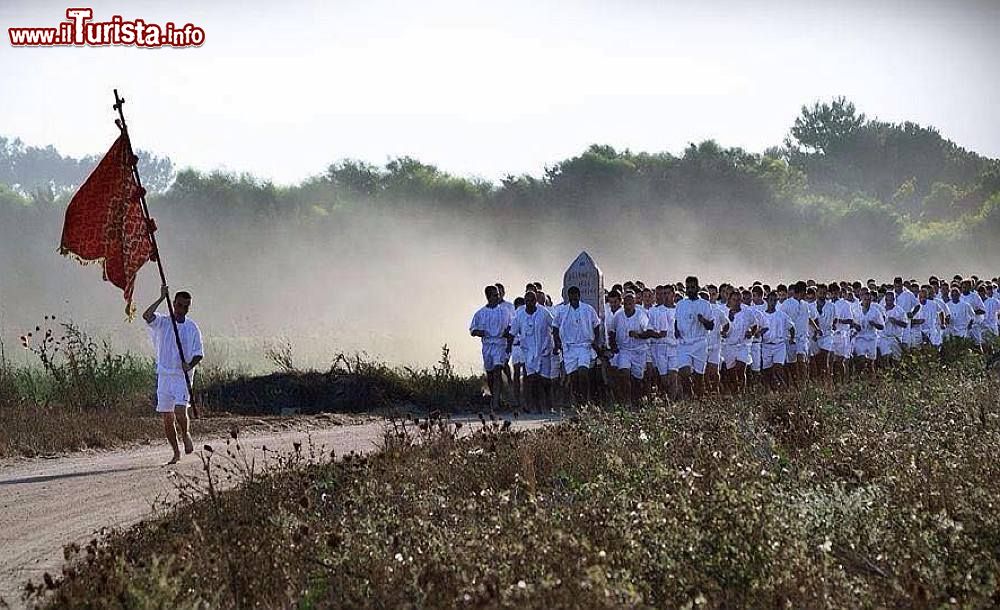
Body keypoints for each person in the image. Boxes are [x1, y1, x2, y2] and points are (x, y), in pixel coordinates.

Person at [143, 286, 204, 465]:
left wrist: (189, 365)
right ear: (174, 304)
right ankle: (176, 453)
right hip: (164, 375)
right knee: (167, 417)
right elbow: (146, 316)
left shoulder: (192, 327)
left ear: (188, 308)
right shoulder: (163, 322)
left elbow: (199, 353)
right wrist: (162, 297)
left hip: (181, 376)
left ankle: (185, 433)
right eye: (178, 305)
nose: (181, 309)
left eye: (185, 307)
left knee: (179, 411)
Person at [508, 291, 556, 412]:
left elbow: (555, 326)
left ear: (536, 301)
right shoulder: (519, 315)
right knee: (532, 380)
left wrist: (556, 344)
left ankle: (549, 405)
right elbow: (512, 332)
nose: (529, 303)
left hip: (543, 350)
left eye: (531, 301)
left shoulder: (544, 313)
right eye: (527, 301)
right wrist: (508, 347)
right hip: (528, 352)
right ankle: (534, 406)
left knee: (545, 381)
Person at [553, 286, 601, 405]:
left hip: (584, 346)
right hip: (569, 348)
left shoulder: (588, 309)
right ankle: (578, 402)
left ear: (579, 296)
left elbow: (596, 325)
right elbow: (555, 326)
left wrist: (595, 341)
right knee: (573, 378)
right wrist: (557, 342)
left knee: (583, 372)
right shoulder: (562, 311)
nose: (573, 299)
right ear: (568, 297)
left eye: (575, 297)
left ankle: (585, 401)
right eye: (571, 297)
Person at [469, 285, 512, 413]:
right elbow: (472, 330)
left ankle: (495, 403)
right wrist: (479, 332)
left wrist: (507, 333)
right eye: (495, 295)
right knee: (490, 374)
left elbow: (511, 326)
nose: (498, 297)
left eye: (498, 294)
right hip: (487, 346)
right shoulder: (480, 313)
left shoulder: (505, 311)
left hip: (500, 344)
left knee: (498, 370)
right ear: (488, 297)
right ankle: (496, 397)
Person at [674, 276, 714, 398]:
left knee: (699, 377)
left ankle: (699, 401)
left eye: (692, 287)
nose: (690, 290)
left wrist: (703, 321)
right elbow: (676, 320)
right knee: (684, 372)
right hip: (684, 344)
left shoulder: (705, 304)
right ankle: (689, 395)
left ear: (697, 288)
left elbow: (711, 326)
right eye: (688, 288)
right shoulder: (680, 304)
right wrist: (676, 330)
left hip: (699, 343)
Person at [608, 292, 650, 407]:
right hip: (624, 350)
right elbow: (612, 332)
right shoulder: (618, 315)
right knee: (624, 373)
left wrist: (638, 335)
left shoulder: (641, 315)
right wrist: (613, 346)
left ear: (635, 303)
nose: (628, 306)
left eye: (630, 303)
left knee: (637, 378)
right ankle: (627, 401)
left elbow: (648, 332)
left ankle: (637, 400)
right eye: (626, 304)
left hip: (639, 350)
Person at [720, 291, 754, 395]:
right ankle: (735, 393)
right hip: (728, 346)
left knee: (740, 368)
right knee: (731, 373)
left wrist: (751, 333)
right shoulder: (724, 312)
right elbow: (720, 328)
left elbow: (755, 324)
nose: (736, 302)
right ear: (729, 300)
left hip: (742, 345)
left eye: (739, 300)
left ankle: (742, 392)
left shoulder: (747, 312)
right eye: (734, 300)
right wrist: (723, 333)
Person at [759, 291, 794, 391]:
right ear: (767, 301)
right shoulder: (762, 315)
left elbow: (791, 327)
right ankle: (770, 389)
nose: (773, 302)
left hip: (779, 345)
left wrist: (792, 338)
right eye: (771, 300)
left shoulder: (781, 315)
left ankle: (784, 387)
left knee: (778, 367)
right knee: (767, 370)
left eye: (775, 300)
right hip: (766, 345)